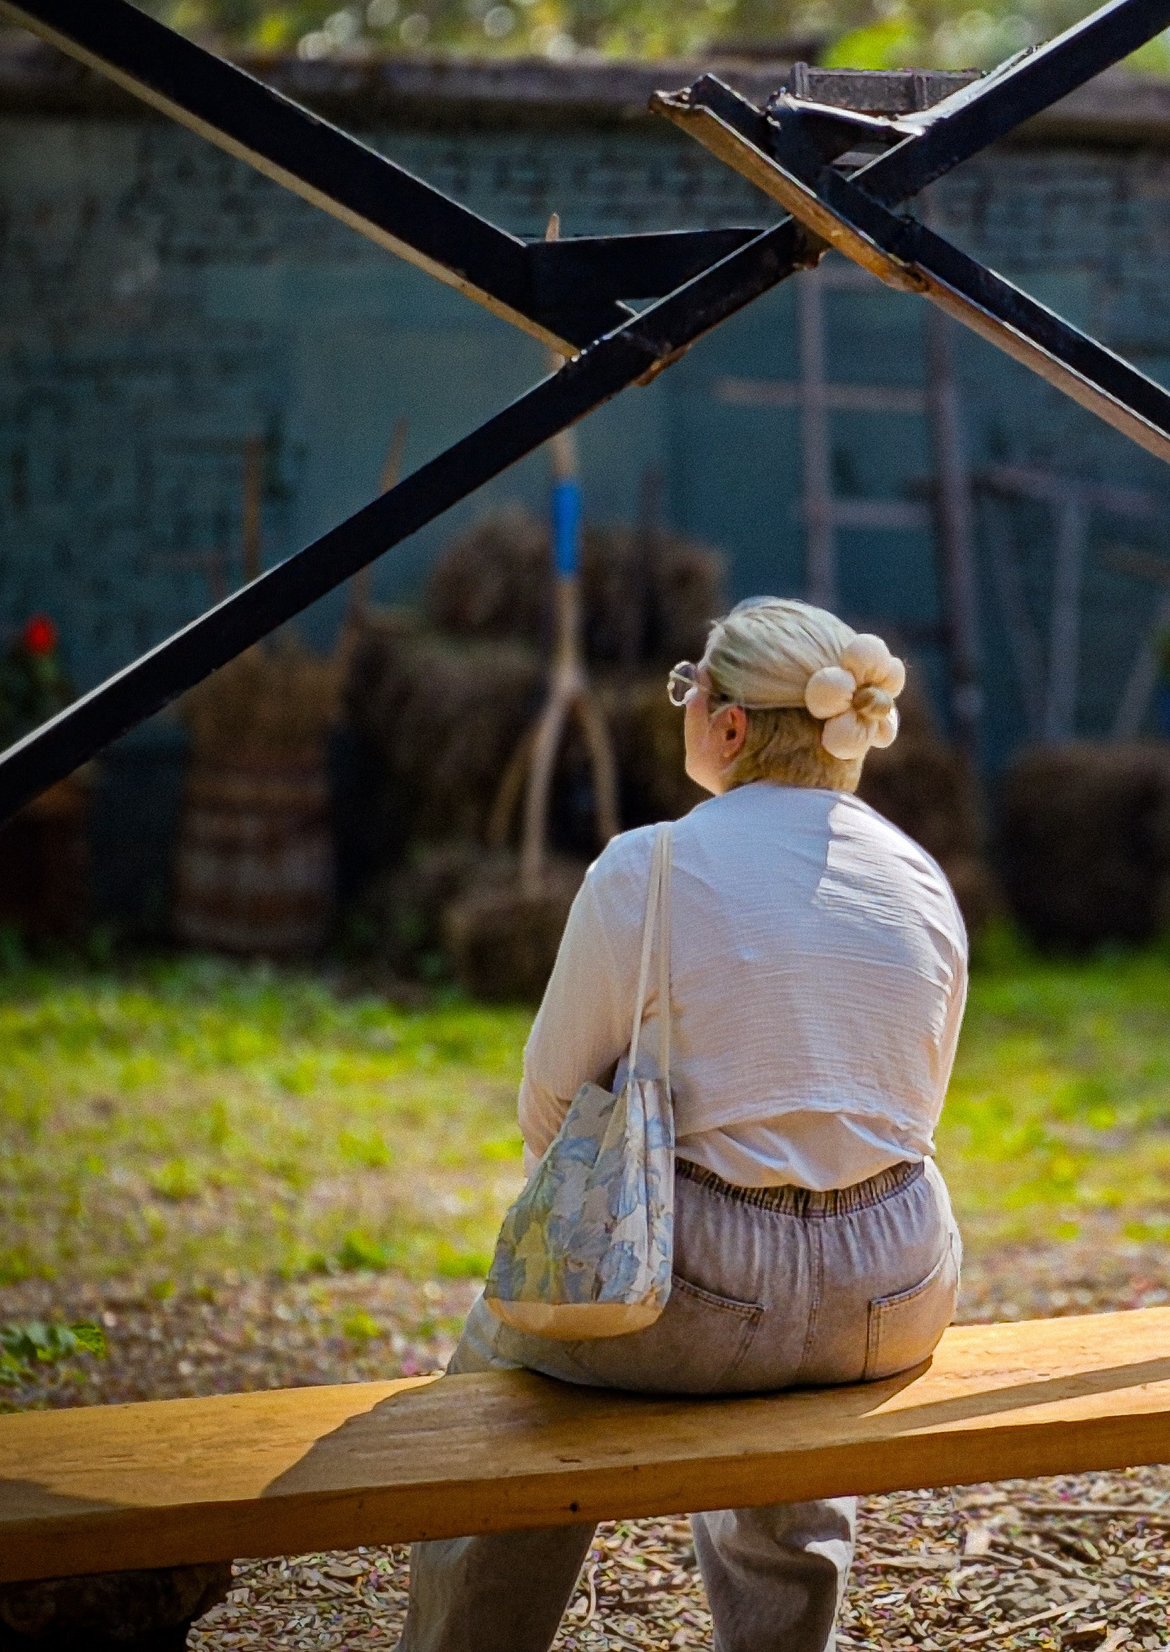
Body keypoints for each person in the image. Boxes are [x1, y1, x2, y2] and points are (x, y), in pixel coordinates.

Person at [401, 598, 969, 1652]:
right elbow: (914, 1107)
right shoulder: (921, 879)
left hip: (689, 1288)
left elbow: (552, 1107)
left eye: (688, 689)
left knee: (513, 1378)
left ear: (730, 725)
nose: (684, 708)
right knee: (791, 1376)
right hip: (891, 1289)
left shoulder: (647, 868)